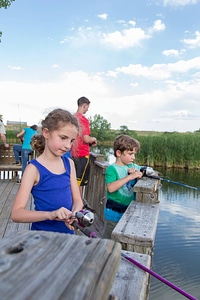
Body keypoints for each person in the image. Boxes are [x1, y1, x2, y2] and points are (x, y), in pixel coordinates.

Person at [11, 108, 83, 234]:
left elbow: (77, 199)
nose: (68, 145)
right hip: (42, 239)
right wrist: (51, 215)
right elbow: (17, 213)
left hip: (67, 237)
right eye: (63, 138)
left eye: (71, 140)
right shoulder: (33, 169)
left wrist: (75, 213)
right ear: (46, 133)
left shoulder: (69, 164)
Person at [103, 134, 143, 239]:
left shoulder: (132, 166)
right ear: (119, 153)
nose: (133, 158)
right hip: (113, 214)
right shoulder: (112, 169)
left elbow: (147, 170)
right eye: (130, 154)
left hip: (129, 213)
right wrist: (130, 177)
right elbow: (110, 188)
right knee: (109, 242)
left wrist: (140, 172)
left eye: (134, 154)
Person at [71, 96, 97, 198]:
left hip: (72, 154)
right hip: (82, 154)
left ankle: (73, 204)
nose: (87, 109)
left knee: (73, 180)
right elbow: (86, 139)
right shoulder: (83, 120)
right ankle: (78, 206)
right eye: (87, 107)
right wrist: (93, 139)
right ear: (84, 105)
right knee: (79, 182)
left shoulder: (72, 118)